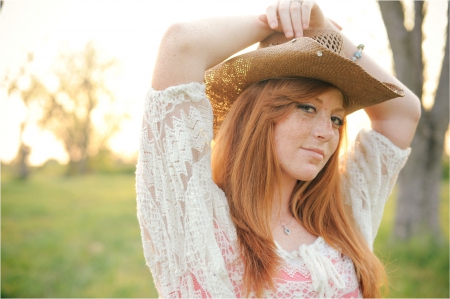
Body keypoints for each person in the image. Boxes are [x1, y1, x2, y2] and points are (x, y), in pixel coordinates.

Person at [135, 0, 421, 297]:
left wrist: (324, 32)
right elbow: (181, 45)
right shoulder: (199, 221)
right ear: (260, 114)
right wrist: (276, 23)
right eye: (308, 108)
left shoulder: (341, 214)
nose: (327, 133)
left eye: (336, 118)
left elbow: (403, 112)